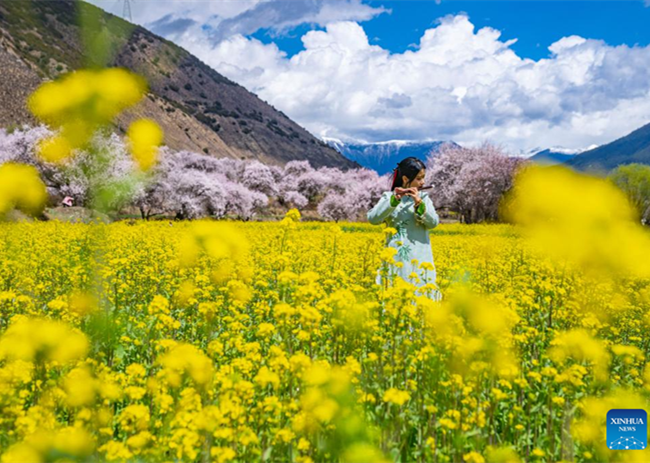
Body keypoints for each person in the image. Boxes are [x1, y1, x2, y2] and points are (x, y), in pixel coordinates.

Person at [366, 157, 442, 301]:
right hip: (396, 259)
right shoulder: (389, 197)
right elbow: (373, 218)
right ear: (406, 178)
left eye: (423, 178)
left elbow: (433, 223)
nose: (423, 182)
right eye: (419, 179)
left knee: (421, 301)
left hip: (420, 259)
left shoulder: (424, 197)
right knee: (394, 301)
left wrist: (419, 204)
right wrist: (394, 200)